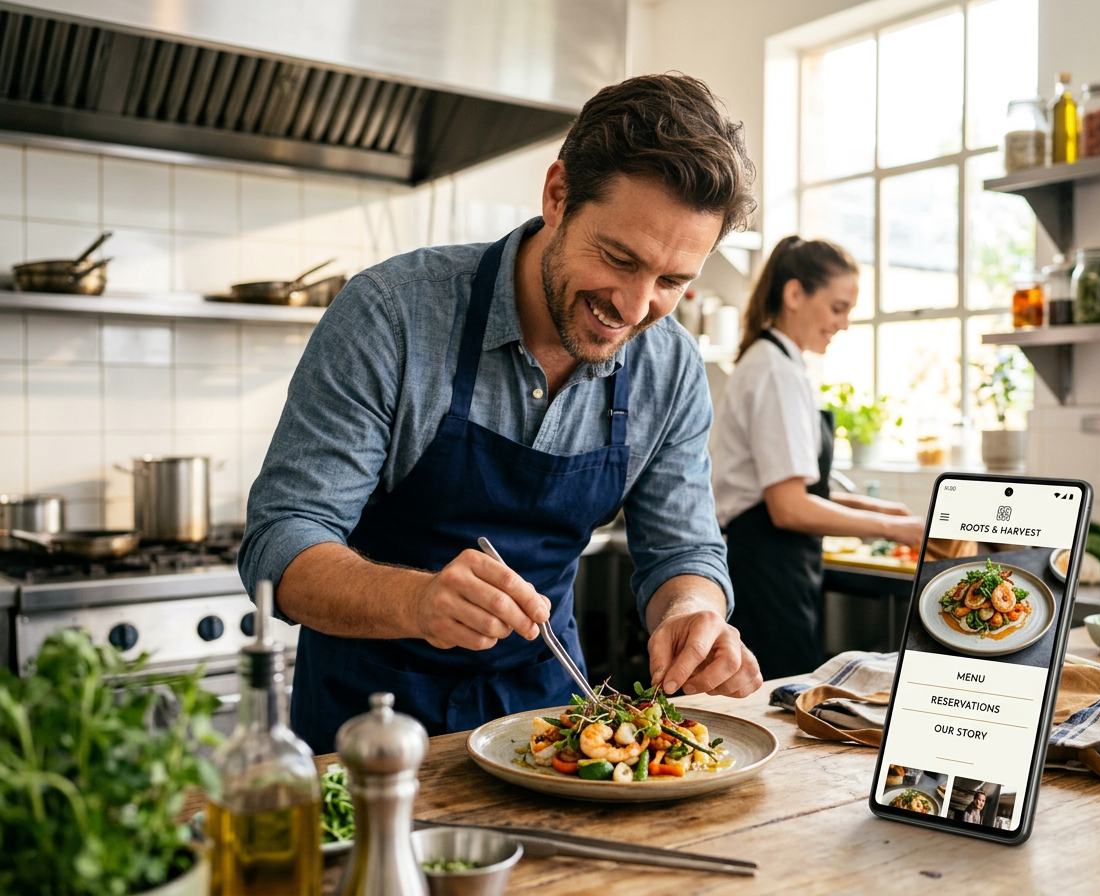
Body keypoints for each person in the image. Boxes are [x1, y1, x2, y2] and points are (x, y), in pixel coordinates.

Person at [238, 74, 763, 754]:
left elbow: (683, 551)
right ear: (558, 195)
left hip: (550, 731)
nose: (634, 309)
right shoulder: (392, 314)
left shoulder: (671, 366)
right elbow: (279, 542)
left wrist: (693, 611)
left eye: (671, 281)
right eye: (618, 258)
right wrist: (417, 601)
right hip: (367, 732)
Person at [709, 237, 926, 680]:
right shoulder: (773, 370)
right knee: (773, 696)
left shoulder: (779, 363)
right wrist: (895, 529)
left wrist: (887, 510)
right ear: (794, 294)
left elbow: (795, 490)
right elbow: (788, 508)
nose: (843, 324)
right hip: (765, 573)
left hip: (777, 567)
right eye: (837, 308)